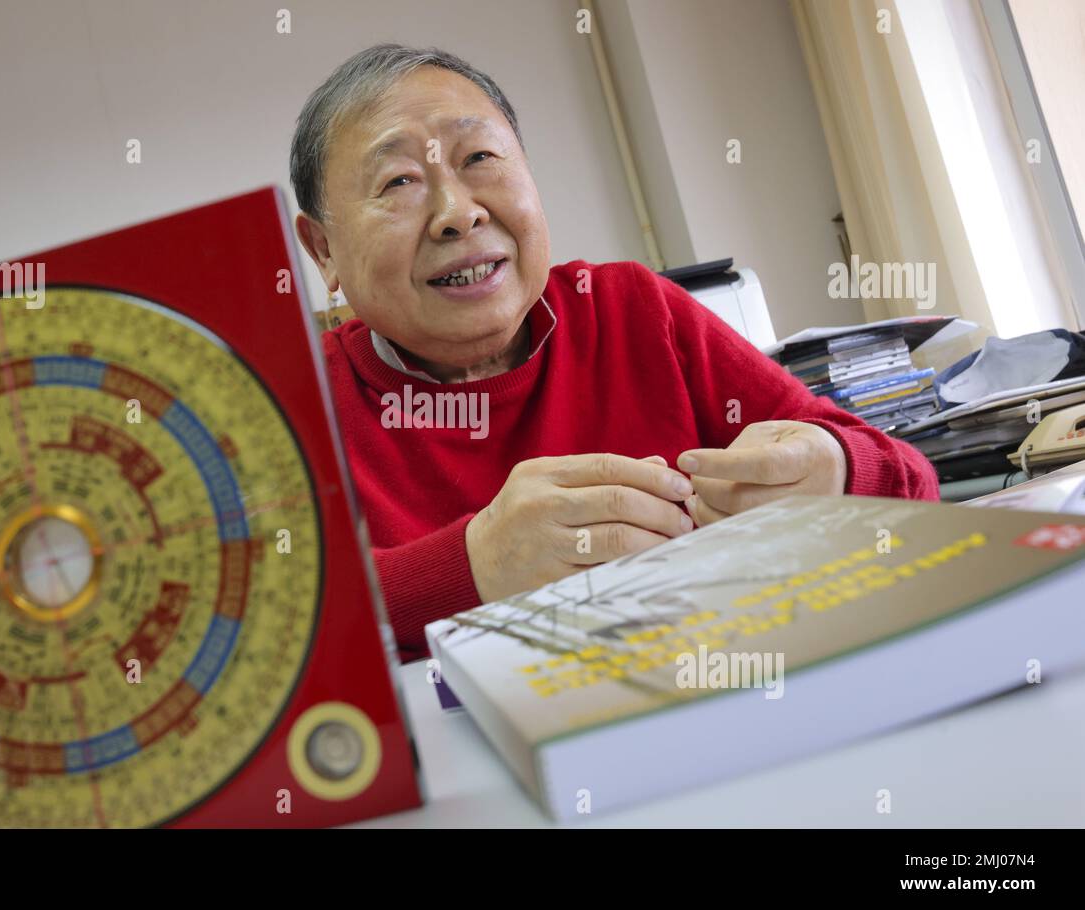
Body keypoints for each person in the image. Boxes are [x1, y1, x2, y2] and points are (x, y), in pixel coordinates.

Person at [290, 44, 938, 662]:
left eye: (481, 157)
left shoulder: (634, 308)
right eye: (399, 180)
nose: (457, 214)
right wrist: (468, 567)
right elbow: (252, 632)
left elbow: (915, 484)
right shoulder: (294, 400)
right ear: (323, 251)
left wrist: (836, 472)